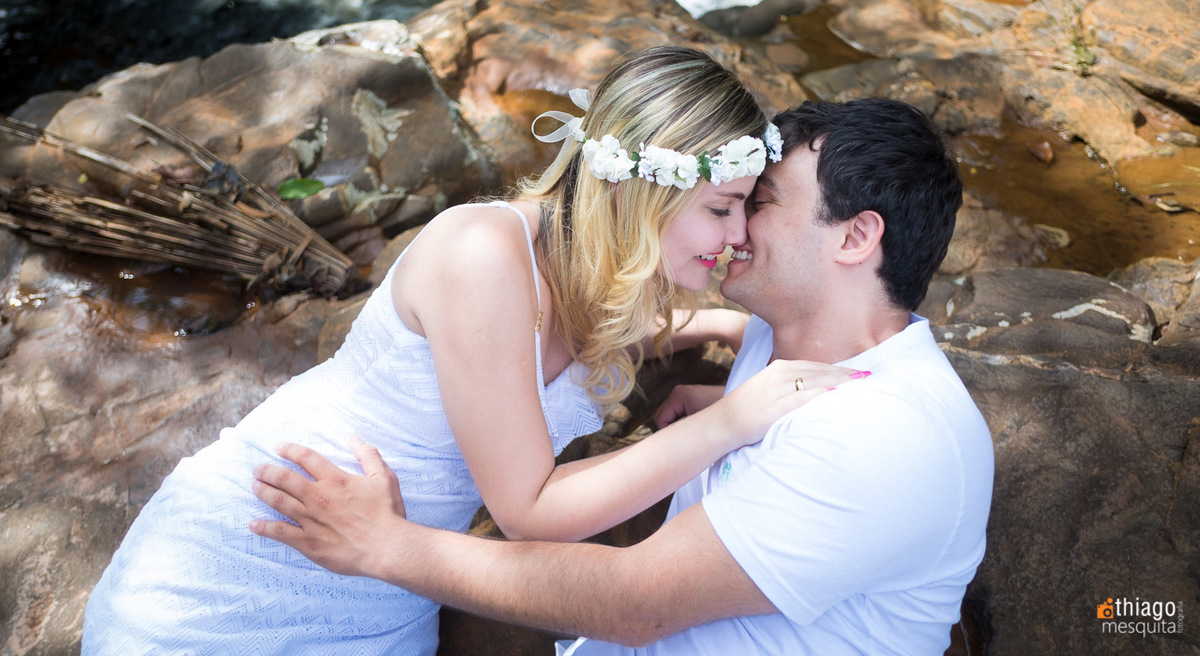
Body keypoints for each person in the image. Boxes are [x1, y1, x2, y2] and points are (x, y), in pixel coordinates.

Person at [82, 46, 862, 655]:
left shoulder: (615, 269)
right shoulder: (483, 253)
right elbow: (529, 510)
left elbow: (573, 341)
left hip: (387, 580)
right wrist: (732, 421)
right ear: (640, 191)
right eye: (724, 208)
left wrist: (723, 329)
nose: (738, 239)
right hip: (263, 559)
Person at [250, 97, 996, 654]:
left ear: (858, 235)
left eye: (759, 204)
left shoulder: (886, 434)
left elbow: (636, 604)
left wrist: (386, 545)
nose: (736, 233)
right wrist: (719, 370)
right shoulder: (786, 339)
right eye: (728, 205)